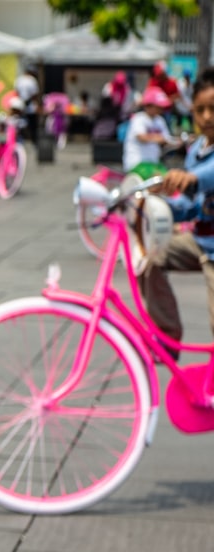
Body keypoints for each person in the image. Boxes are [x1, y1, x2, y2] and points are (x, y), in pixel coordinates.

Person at [142, 67, 214, 358]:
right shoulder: (196, 148)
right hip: (199, 239)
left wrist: (194, 178)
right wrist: (157, 202)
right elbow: (190, 206)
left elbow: (205, 177)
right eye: (200, 110)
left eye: (213, 109)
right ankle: (167, 338)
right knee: (150, 259)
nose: (207, 116)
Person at [123, 87, 173, 178]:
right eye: (158, 106)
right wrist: (159, 138)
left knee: (169, 179)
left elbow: (167, 140)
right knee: (157, 179)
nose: (161, 109)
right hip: (137, 164)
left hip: (154, 163)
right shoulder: (138, 119)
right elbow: (141, 137)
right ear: (148, 106)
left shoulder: (160, 121)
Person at [14, 66, 40, 143]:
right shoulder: (32, 80)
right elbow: (34, 94)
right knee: (32, 124)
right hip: (29, 105)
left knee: (20, 123)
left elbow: (17, 92)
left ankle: (20, 138)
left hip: (20, 105)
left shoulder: (19, 79)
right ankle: (33, 140)